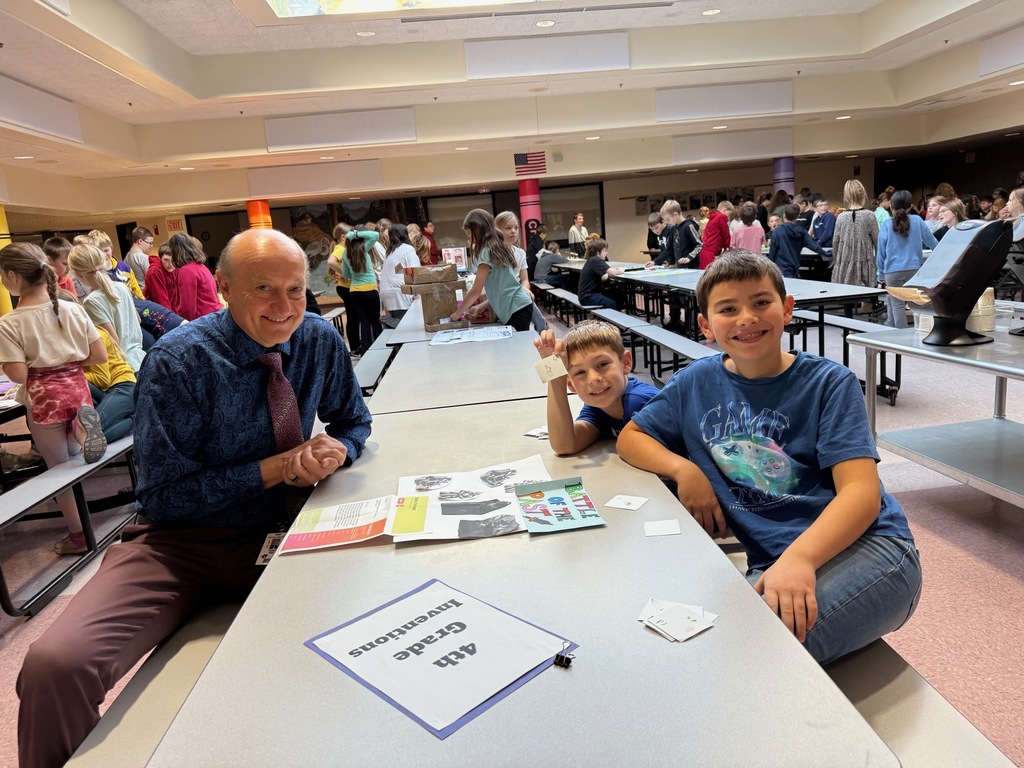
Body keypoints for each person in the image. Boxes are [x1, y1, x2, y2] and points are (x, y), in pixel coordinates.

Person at [17, 228, 372, 768]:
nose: (284, 307)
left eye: (296, 290)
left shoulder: (319, 340)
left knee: (360, 633)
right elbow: (163, 497)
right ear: (224, 288)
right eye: (263, 290)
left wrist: (336, 451)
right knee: (54, 666)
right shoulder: (179, 361)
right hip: (182, 543)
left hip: (289, 531)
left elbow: (354, 421)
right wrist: (277, 468)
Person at [617, 251, 921, 666]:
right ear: (705, 325)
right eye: (728, 309)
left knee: (754, 658)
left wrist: (800, 558)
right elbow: (632, 438)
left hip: (870, 549)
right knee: (694, 644)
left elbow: (862, 496)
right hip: (775, 561)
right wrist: (684, 469)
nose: (747, 318)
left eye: (761, 302)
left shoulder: (830, 383)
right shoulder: (696, 382)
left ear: (787, 309)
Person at [0, 244, 108, 556]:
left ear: (12, 275)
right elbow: (98, 355)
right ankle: (81, 429)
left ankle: (78, 536)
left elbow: (19, 375)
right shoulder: (72, 308)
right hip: (77, 390)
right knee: (74, 462)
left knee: (58, 471)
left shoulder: (11, 322)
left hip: (44, 398)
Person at [532, 320, 658, 455]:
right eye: (580, 372)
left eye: (602, 364)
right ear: (570, 384)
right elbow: (564, 446)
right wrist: (555, 377)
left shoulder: (641, 402)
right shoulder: (596, 409)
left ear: (625, 362)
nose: (593, 379)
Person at [450, 208, 533, 331]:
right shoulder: (496, 247)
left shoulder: (486, 251)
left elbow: (476, 291)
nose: (469, 238)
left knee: (519, 348)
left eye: (469, 234)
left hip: (516, 308)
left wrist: (457, 313)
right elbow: (500, 288)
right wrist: (480, 307)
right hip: (519, 306)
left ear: (477, 230)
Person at [68, 243, 147, 372]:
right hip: (141, 358)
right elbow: (137, 320)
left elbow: (113, 341)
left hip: (125, 367)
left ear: (77, 274)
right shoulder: (122, 287)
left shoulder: (91, 301)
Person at [877, 190, 937, 328]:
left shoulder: (887, 224)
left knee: (897, 304)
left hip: (892, 270)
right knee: (911, 303)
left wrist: (880, 272)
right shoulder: (917, 221)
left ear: (891, 206)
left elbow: (881, 251)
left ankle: (900, 334)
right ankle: (891, 325)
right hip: (914, 269)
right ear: (911, 207)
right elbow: (932, 242)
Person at [831, 180, 880, 317]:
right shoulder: (870, 215)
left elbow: (835, 240)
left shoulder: (841, 217)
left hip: (845, 259)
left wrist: (837, 260)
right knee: (867, 289)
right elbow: (877, 240)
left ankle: (848, 323)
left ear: (846, 197)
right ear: (863, 194)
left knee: (847, 293)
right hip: (864, 258)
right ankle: (869, 315)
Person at [341, 228, 383, 354]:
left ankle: (366, 352)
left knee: (364, 322)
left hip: (355, 291)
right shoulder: (364, 249)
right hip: (370, 289)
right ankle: (381, 348)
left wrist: (350, 236)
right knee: (375, 321)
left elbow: (346, 274)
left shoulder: (345, 253)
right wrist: (355, 234)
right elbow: (375, 235)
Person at [168, 232, 221, 321]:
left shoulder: (186, 271)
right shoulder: (201, 267)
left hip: (203, 320)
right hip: (213, 315)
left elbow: (187, 307)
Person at [767, 204, 825, 278]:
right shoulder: (801, 230)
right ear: (798, 216)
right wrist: (827, 253)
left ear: (784, 215)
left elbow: (773, 251)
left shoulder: (778, 231)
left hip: (780, 268)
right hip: (794, 267)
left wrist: (769, 267)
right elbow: (813, 246)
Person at [380, 222, 421, 320]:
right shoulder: (408, 249)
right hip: (401, 294)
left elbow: (398, 269)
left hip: (387, 294)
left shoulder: (390, 252)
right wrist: (418, 293)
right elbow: (414, 271)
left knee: (396, 325)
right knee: (406, 326)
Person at [576, 237, 624, 310]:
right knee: (611, 303)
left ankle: (618, 317)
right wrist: (621, 270)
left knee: (618, 294)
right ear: (598, 252)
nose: (606, 253)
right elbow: (613, 273)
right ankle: (611, 320)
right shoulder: (596, 260)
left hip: (587, 295)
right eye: (605, 250)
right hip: (588, 297)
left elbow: (602, 273)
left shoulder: (592, 260)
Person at [143, 244, 177, 310]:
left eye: (173, 260)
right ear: (160, 259)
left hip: (173, 311)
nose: (170, 264)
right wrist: (173, 318)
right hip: (156, 311)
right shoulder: (154, 272)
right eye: (166, 260)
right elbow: (161, 299)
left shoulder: (177, 268)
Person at [698, 202, 731, 269]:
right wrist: (729, 248)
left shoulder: (713, 218)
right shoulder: (721, 217)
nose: (728, 218)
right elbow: (726, 235)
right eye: (729, 215)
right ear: (725, 210)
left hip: (705, 252)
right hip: (711, 253)